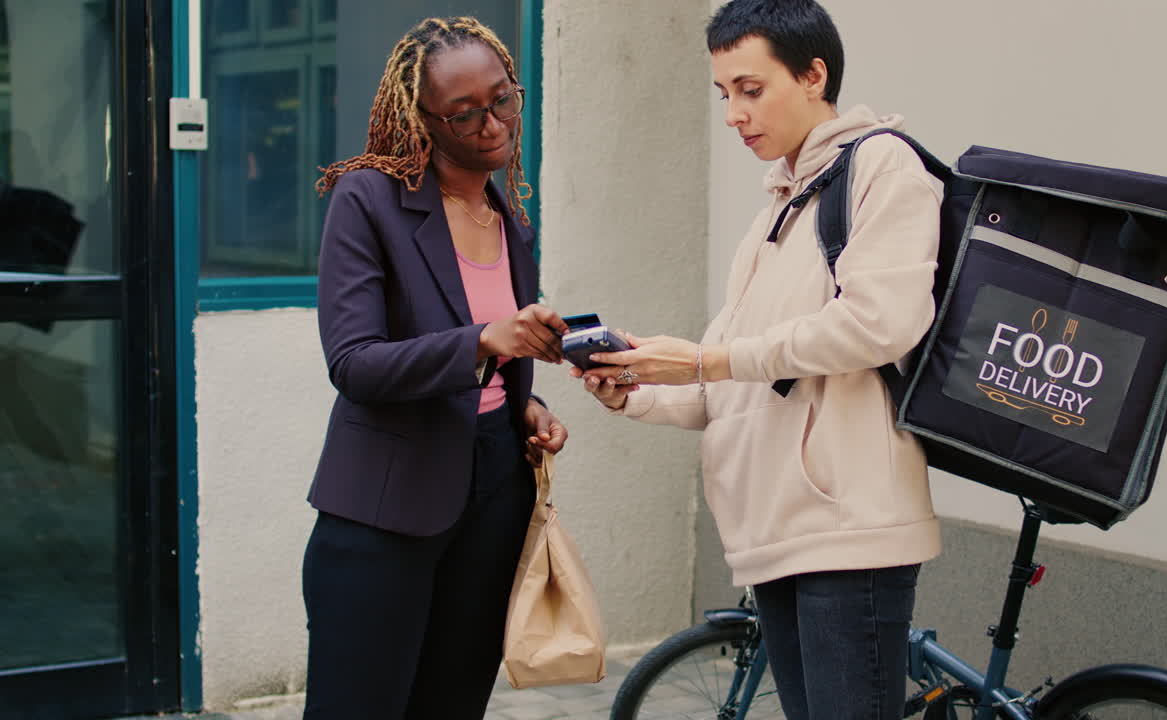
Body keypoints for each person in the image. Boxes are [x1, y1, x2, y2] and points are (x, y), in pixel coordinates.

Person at [575, 1, 942, 717]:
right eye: (723, 95)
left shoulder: (882, 166)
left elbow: (879, 324)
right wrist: (632, 385)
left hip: (845, 530)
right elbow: (738, 383)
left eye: (750, 89)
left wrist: (709, 360)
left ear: (813, 75)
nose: (733, 114)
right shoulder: (782, 200)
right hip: (776, 528)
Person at [302, 16, 569, 719]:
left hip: (492, 493)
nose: (492, 124)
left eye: (502, 99)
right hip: (386, 506)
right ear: (420, 119)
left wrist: (525, 409)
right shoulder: (368, 200)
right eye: (465, 112)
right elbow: (356, 364)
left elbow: (490, 364)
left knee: (452, 703)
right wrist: (486, 339)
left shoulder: (509, 219)